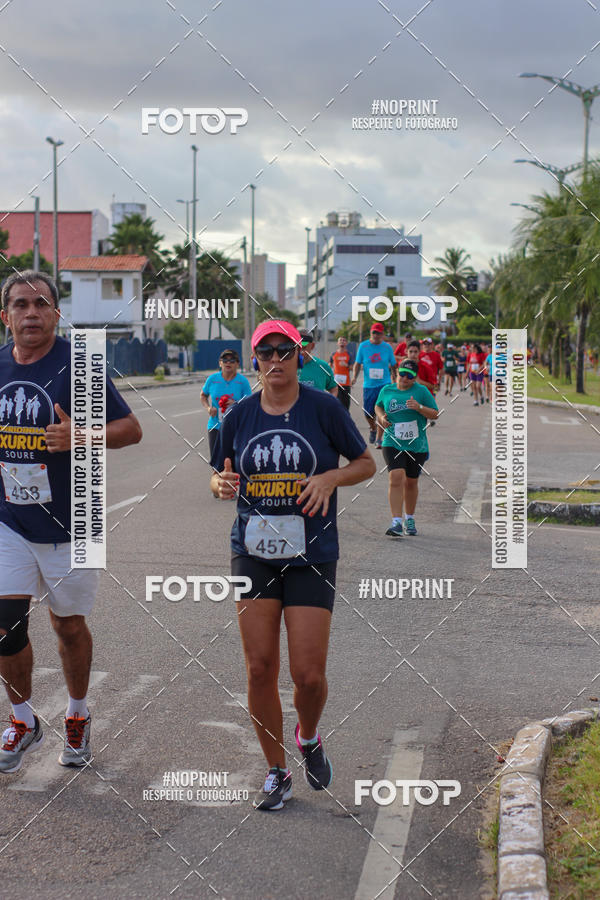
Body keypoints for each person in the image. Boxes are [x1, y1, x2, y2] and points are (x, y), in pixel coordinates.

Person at [210, 320, 375, 810]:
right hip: (252, 551)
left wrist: (329, 478)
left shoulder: (323, 408)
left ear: (300, 356)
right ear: (255, 360)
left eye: (285, 351)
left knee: (308, 675)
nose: (276, 360)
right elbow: (219, 475)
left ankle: (308, 736)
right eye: (266, 352)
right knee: (260, 667)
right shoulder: (238, 415)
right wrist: (220, 486)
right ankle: (276, 771)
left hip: (312, 553)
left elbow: (366, 463)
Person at [0, 271, 142, 774]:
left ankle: (77, 713)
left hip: (74, 519)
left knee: (68, 626)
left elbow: (131, 430)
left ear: (57, 314)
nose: (31, 313)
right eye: (21, 304)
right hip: (9, 521)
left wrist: (81, 434)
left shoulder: (79, 364)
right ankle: (23, 721)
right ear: (5, 316)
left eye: (42, 303)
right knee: (5, 627)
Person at [375, 359, 438, 537]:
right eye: (402, 374)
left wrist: (419, 407)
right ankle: (396, 522)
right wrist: (381, 417)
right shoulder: (387, 390)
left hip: (416, 444)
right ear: (397, 373)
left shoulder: (421, 391)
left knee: (411, 482)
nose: (404, 378)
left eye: (409, 376)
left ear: (415, 378)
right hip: (392, 441)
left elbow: (435, 414)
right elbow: (378, 406)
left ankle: (409, 518)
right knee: (396, 476)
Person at [352, 323, 397, 448]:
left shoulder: (387, 347)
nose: (376, 335)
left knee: (383, 412)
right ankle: (373, 428)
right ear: (371, 333)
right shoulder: (363, 346)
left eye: (379, 333)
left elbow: (393, 364)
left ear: (382, 334)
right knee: (368, 413)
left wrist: (396, 378)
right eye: (374, 333)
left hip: (384, 384)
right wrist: (354, 377)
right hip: (369, 385)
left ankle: (379, 439)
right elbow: (357, 363)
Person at [201, 349, 252, 458]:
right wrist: (208, 408)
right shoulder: (212, 379)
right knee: (216, 461)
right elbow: (203, 395)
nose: (228, 363)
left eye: (232, 360)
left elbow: (249, 403)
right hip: (215, 426)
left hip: (236, 427)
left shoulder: (242, 382)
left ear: (237, 364)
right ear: (220, 363)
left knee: (233, 461)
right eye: (225, 360)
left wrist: (236, 404)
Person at [329, 336, 354, 411]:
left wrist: (346, 365)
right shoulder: (334, 354)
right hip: (336, 383)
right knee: (337, 403)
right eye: (340, 340)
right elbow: (329, 365)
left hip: (346, 383)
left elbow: (352, 367)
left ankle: (345, 417)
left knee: (346, 404)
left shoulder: (349, 354)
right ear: (338, 343)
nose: (342, 342)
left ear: (346, 343)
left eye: (344, 340)